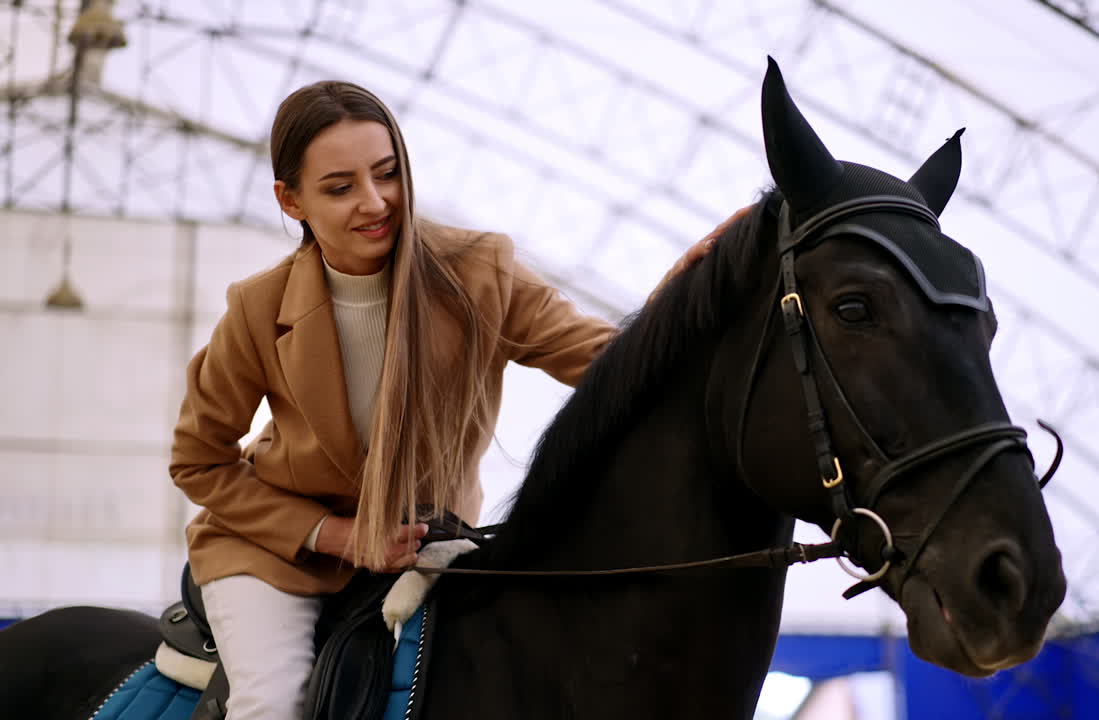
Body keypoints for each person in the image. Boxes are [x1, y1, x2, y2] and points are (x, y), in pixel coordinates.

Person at [169, 80, 737, 720]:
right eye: (340, 188)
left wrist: (677, 306)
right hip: (274, 556)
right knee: (275, 704)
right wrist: (337, 535)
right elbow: (199, 462)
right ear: (290, 199)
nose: (375, 201)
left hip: (427, 544)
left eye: (388, 174)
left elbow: (601, 362)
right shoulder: (257, 308)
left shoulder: (479, 270)